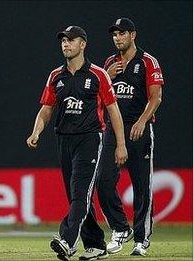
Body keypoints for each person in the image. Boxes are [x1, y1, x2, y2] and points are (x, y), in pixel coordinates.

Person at [26, 26, 128, 261]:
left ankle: (67, 240)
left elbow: (113, 111)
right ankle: (96, 245)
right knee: (77, 196)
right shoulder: (56, 76)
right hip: (64, 140)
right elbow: (46, 109)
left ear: (83, 44)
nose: (65, 44)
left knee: (80, 193)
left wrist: (120, 145)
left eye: (71, 40)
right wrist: (36, 132)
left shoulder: (98, 74)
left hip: (90, 139)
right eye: (63, 40)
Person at [97, 18, 164, 256]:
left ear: (133, 35)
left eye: (122, 33)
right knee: (102, 181)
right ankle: (119, 228)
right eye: (114, 34)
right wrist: (106, 74)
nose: (117, 38)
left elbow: (156, 97)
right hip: (113, 130)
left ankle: (141, 239)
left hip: (139, 128)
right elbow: (99, 94)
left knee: (141, 185)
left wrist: (142, 121)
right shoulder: (109, 63)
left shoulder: (147, 61)